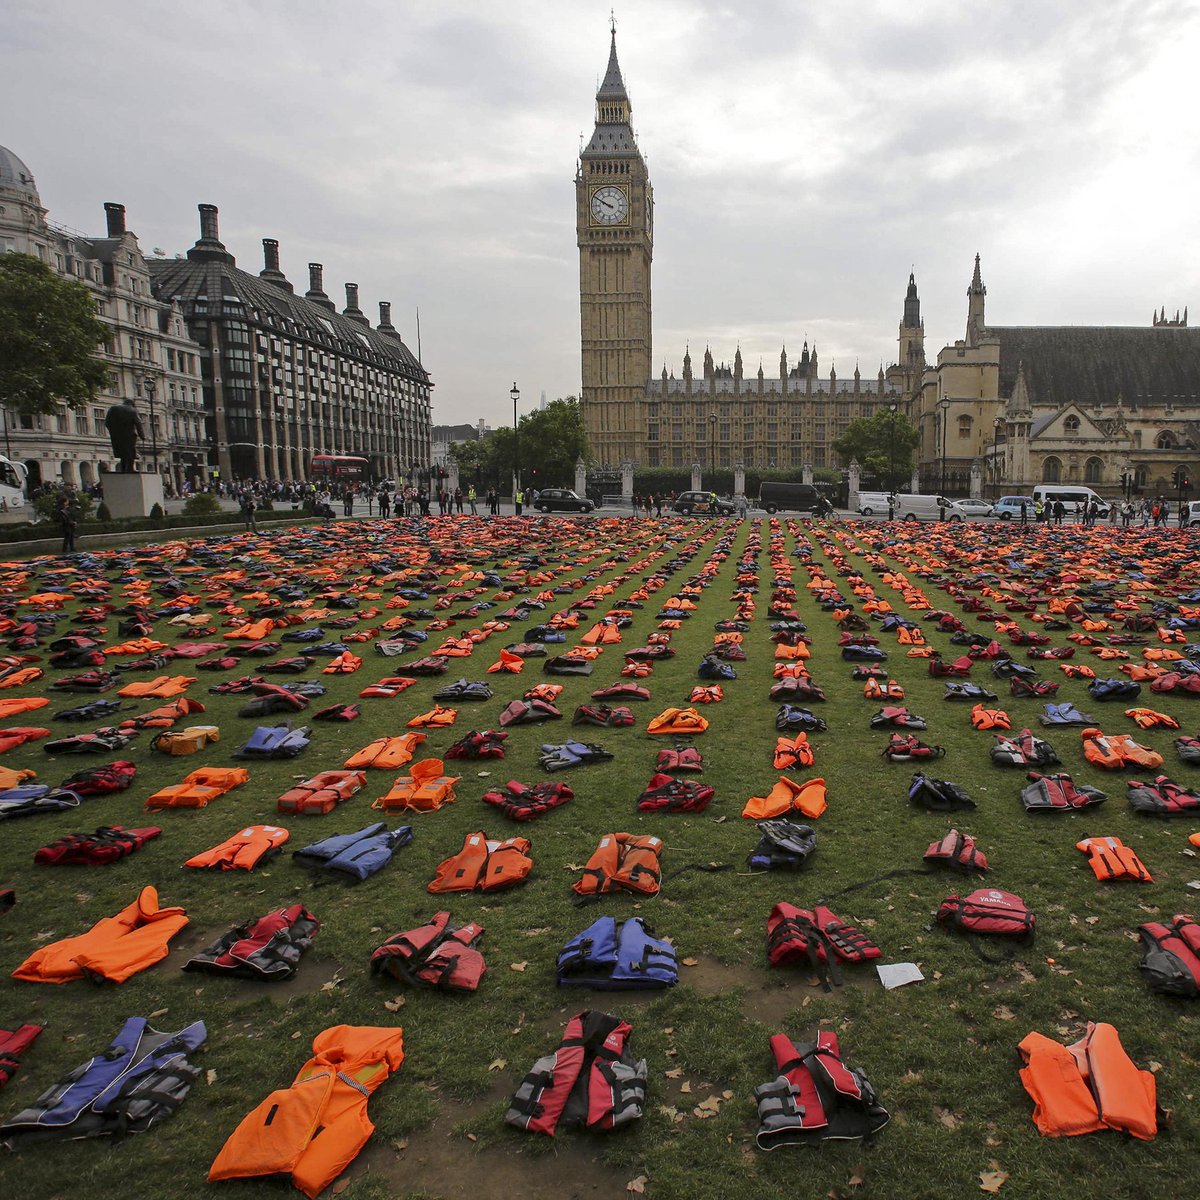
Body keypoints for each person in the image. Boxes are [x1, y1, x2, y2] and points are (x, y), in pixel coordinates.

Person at [104, 398, 145, 473]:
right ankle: (130, 468)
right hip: (129, 435)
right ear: (132, 404)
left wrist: (113, 431)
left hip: (116, 435)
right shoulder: (133, 410)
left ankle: (123, 468)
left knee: (122, 453)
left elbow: (107, 422)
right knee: (130, 452)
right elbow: (138, 424)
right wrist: (142, 436)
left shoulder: (113, 408)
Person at [56, 488, 79, 554]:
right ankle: (64, 549)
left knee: (71, 537)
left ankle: (72, 548)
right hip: (66, 525)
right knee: (67, 537)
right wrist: (71, 522)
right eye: (67, 501)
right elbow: (65, 518)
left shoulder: (67, 509)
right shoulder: (62, 510)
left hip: (69, 525)